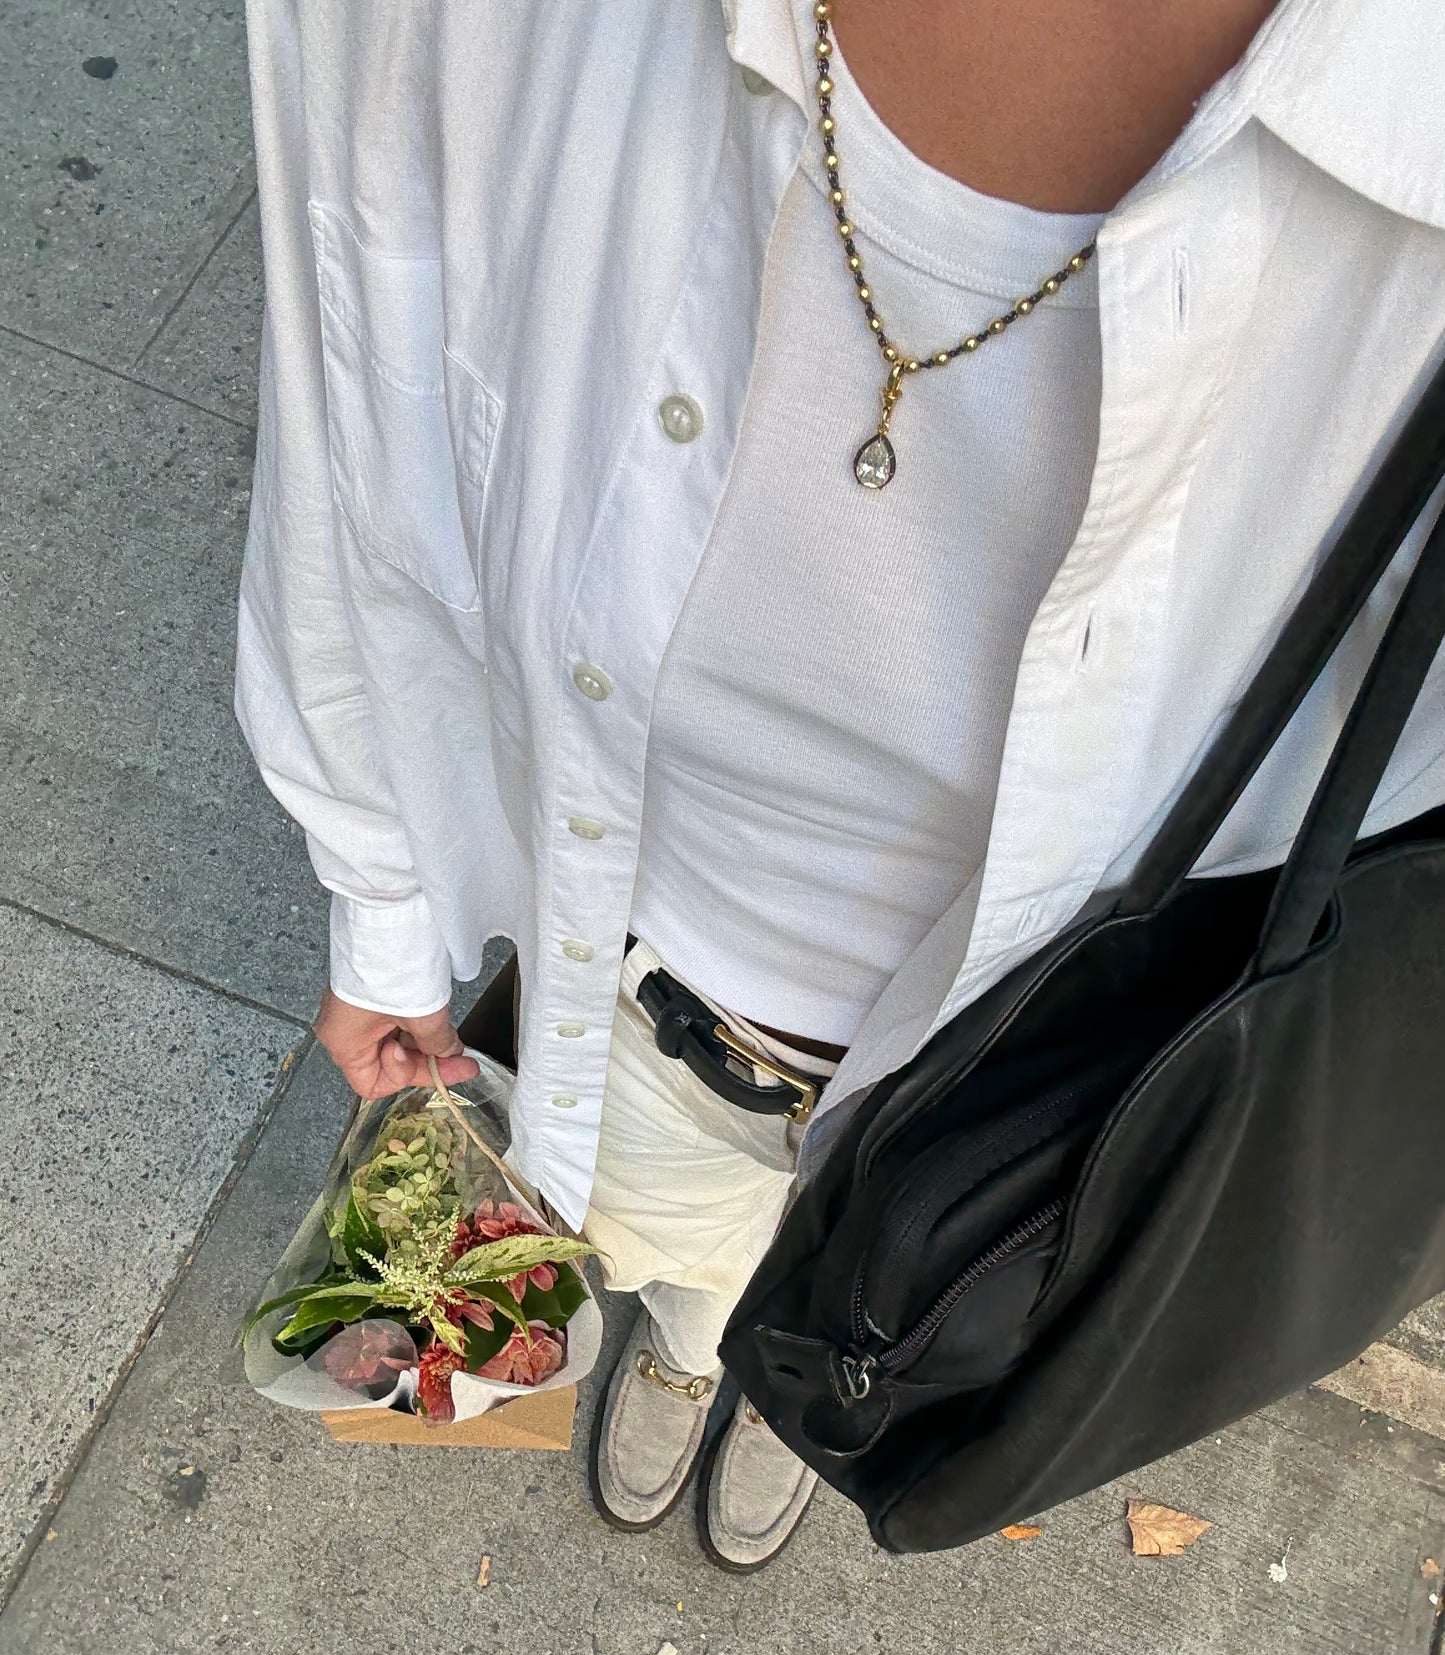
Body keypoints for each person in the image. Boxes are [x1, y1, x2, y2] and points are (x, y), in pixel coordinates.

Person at [238, 0, 1445, 1570]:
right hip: (654, 994)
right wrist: (381, 901)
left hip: (1066, 1115)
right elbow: (347, 377)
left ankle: (783, 1383)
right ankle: (697, 1360)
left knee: (862, 1310)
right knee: (667, 1250)